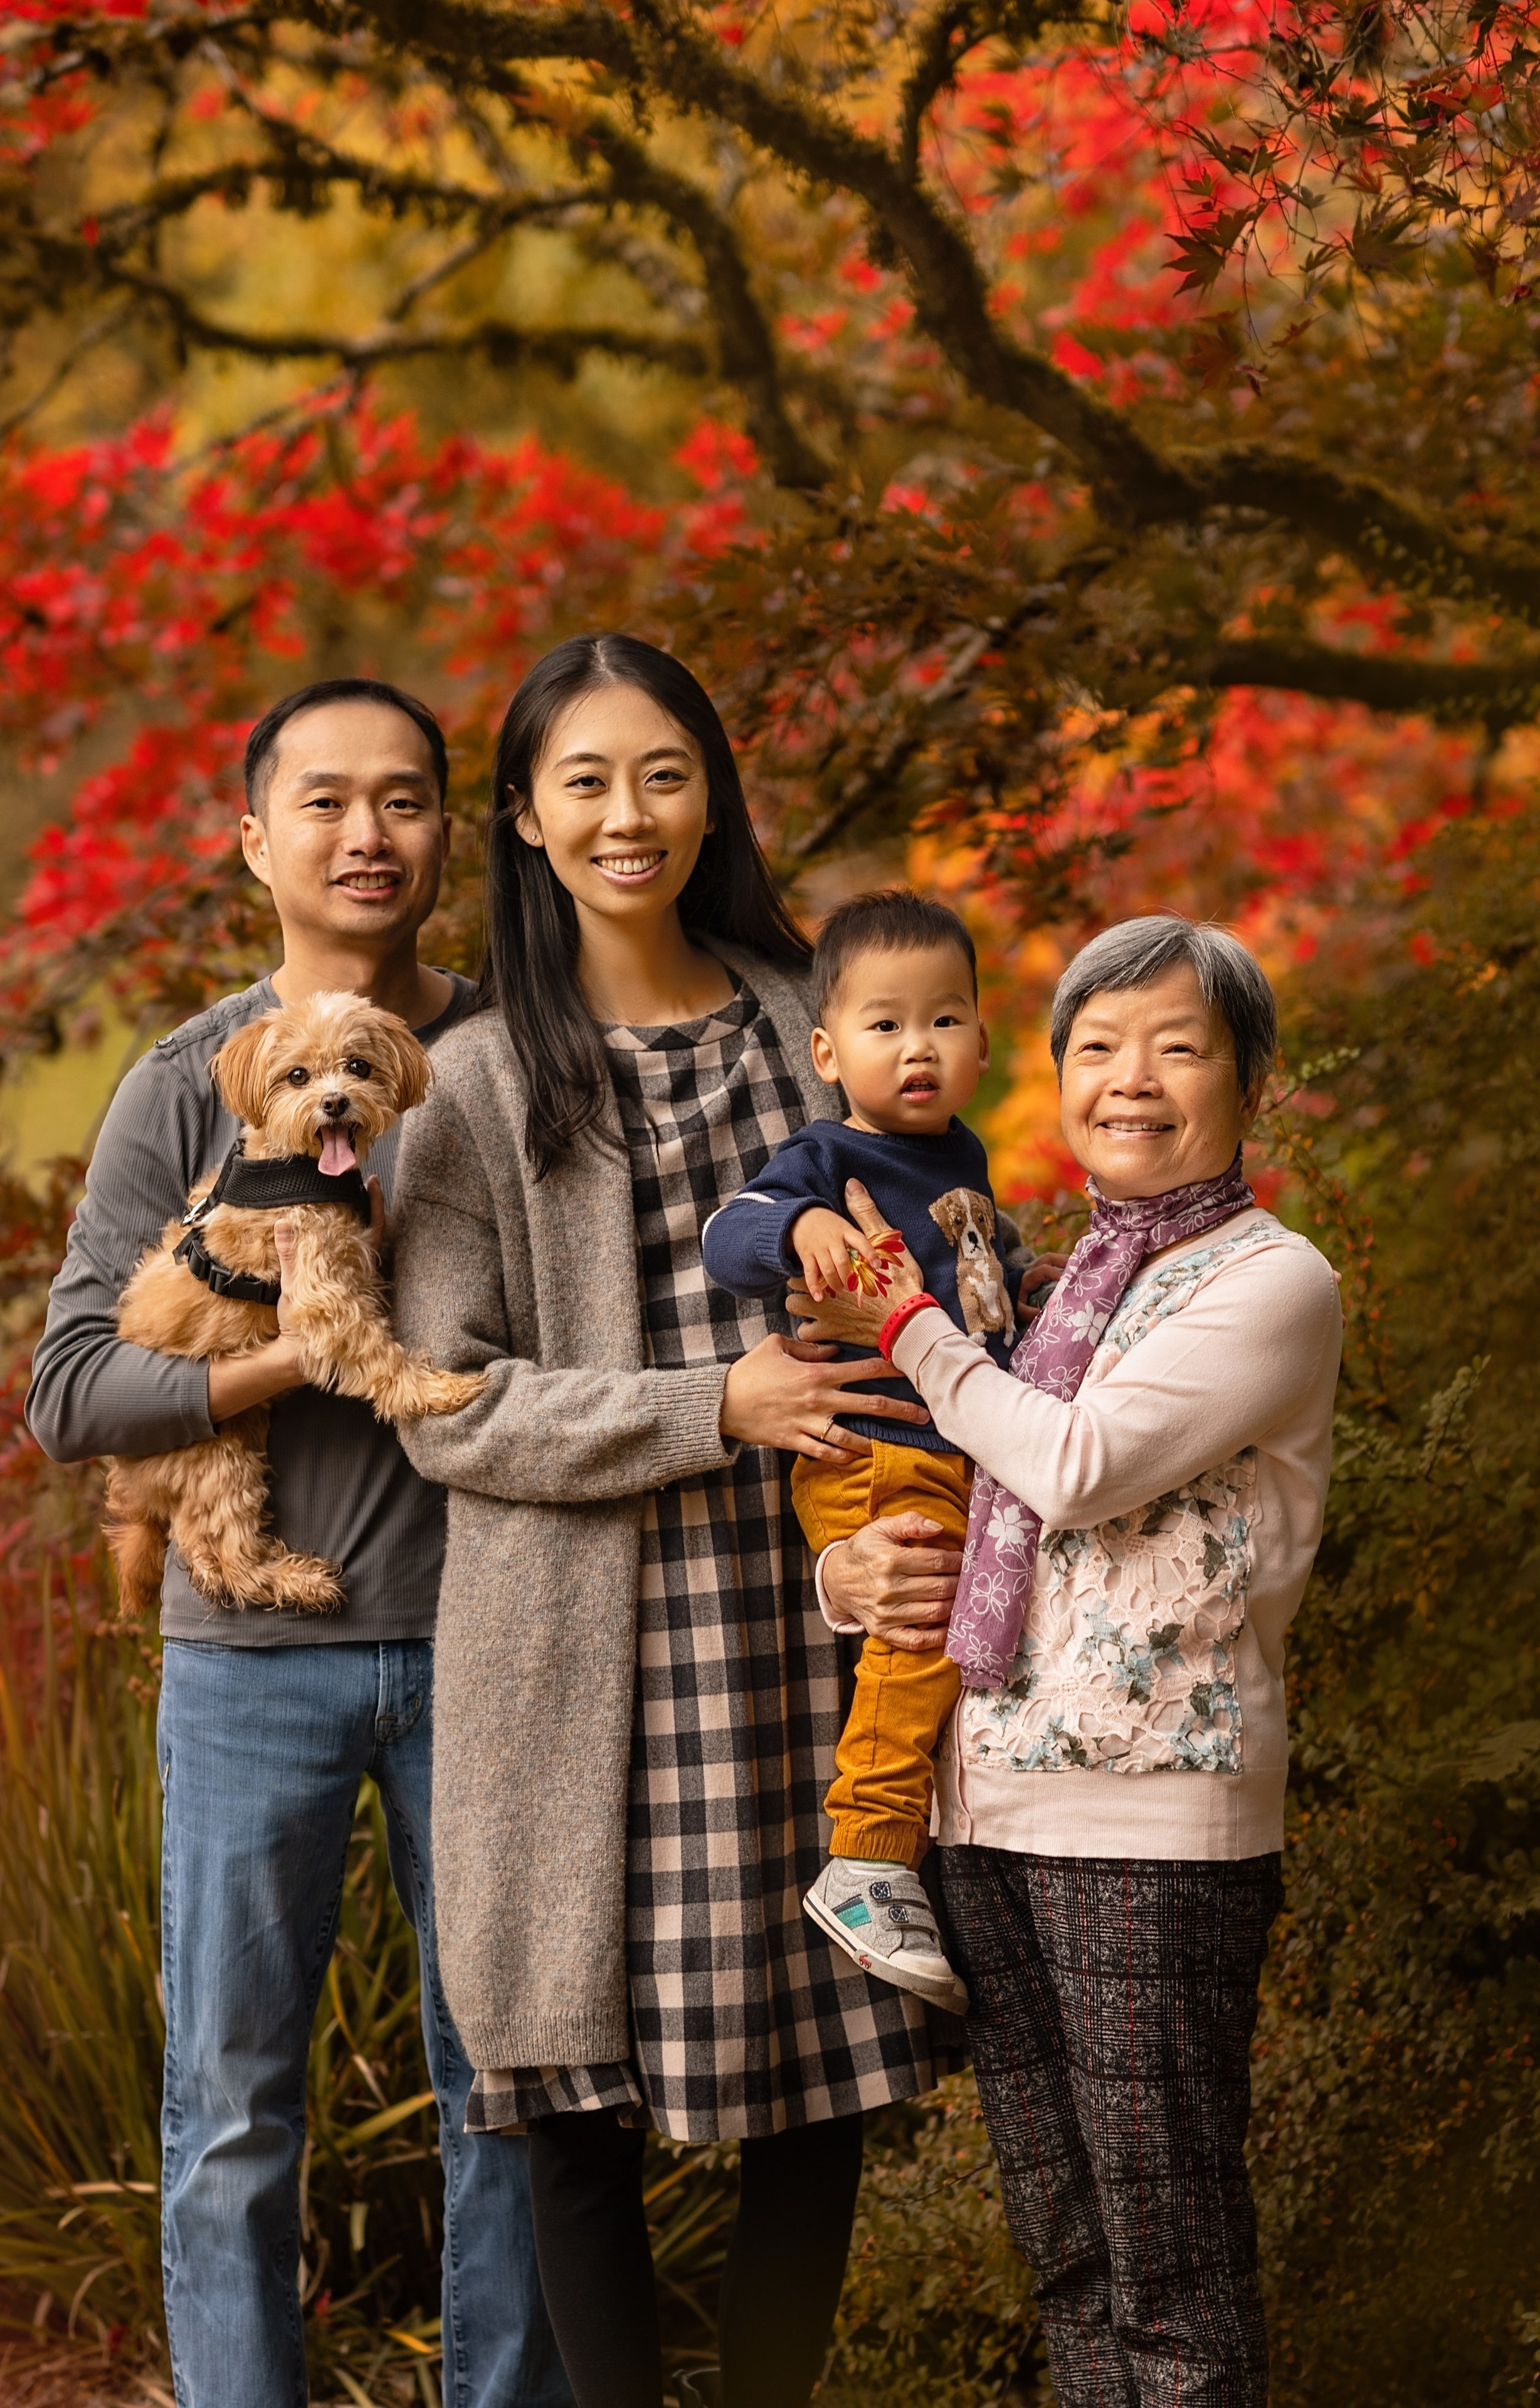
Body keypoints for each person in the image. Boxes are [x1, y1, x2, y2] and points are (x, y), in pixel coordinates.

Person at [388, 635, 964, 2408]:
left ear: (711, 790)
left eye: (663, 771)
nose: (628, 814)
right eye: (586, 780)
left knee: (829, 2073)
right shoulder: (474, 1078)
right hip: (578, 1657)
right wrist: (703, 1403)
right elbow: (442, 1397)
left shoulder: (823, 1015)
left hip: (819, 1614)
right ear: (527, 819)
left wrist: (904, 1527)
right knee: (577, 2098)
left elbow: (957, 1282)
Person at [25, 679, 569, 2408]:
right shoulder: (186, 1085)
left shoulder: (503, 1064)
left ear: (450, 838)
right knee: (232, 2104)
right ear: (254, 839)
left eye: (405, 801)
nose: (367, 835)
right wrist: (289, 1357)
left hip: (495, 1638)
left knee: (512, 2087)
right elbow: (71, 1389)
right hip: (250, 1667)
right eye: (324, 802)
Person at [791, 916, 1343, 2408]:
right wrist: (851, 1576)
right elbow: (971, 1497)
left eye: (1177, 1046)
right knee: (1069, 2253)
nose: (1131, 1080)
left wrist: (900, 1323)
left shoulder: (1266, 1282)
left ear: (1248, 1077)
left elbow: (1077, 1467)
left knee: (1165, 2262)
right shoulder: (1046, 1290)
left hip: (1147, 1820)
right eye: (1096, 1047)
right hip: (985, 1809)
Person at [702, 887, 1049, 2017]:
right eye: (885, 1025)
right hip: (873, 1444)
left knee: (943, 1636)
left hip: (948, 1442)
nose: (918, 1048)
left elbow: (972, 1284)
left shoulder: (965, 1154)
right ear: (826, 1049)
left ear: (984, 1043)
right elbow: (727, 1235)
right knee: (918, 1631)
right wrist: (798, 1226)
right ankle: (866, 1858)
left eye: (945, 1021)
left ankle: (917, 1848)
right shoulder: (822, 1152)